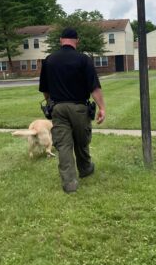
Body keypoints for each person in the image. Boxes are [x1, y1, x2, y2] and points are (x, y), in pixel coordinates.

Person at [39, 27, 106, 193]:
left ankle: (69, 183)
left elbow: (45, 89)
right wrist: (102, 107)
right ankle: (85, 169)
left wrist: (50, 103)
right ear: (77, 40)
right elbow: (94, 88)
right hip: (80, 108)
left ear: (61, 40)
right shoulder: (84, 60)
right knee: (82, 141)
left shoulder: (49, 60)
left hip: (58, 109)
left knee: (64, 145)